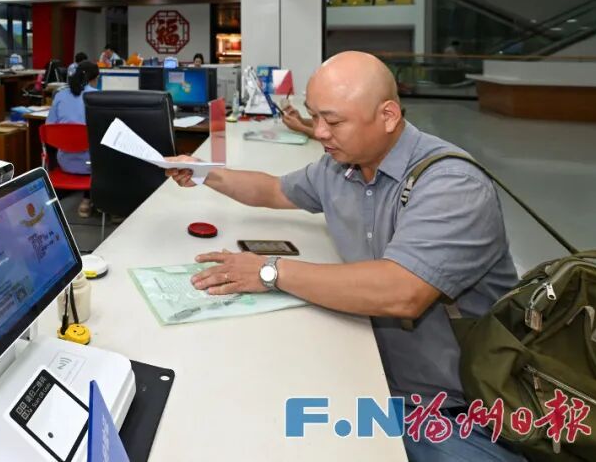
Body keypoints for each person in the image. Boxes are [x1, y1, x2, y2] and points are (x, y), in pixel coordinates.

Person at [164, 51, 522, 462]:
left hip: (455, 408)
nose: (319, 132)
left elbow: (401, 292)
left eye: (333, 122)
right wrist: (205, 173)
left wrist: (268, 271)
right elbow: (273, 189)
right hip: (373, 372)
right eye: (314, 116)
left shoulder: (452, 184)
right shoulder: (342, 167)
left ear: (387, 116)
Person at [46, 60, 100, 218]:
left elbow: (49, 128)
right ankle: (88, 201)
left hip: (64, 163)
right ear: (95, 79)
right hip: (91, 166)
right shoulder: (97, 97)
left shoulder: (60, 95)